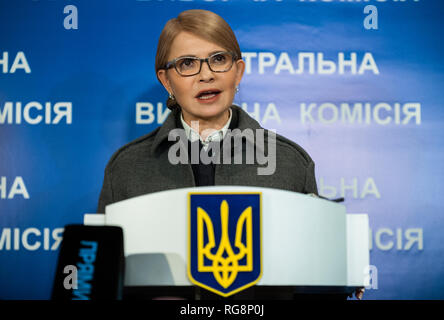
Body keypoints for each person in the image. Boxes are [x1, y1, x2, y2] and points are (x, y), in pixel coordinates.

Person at [97, 9, 362, 300]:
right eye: (187, 64)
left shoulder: (289, 162)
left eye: (219, 59)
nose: (206, 75)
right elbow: (101, 281)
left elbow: (317, 279)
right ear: (167, 81)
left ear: (238, 72)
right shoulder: (126, 167)